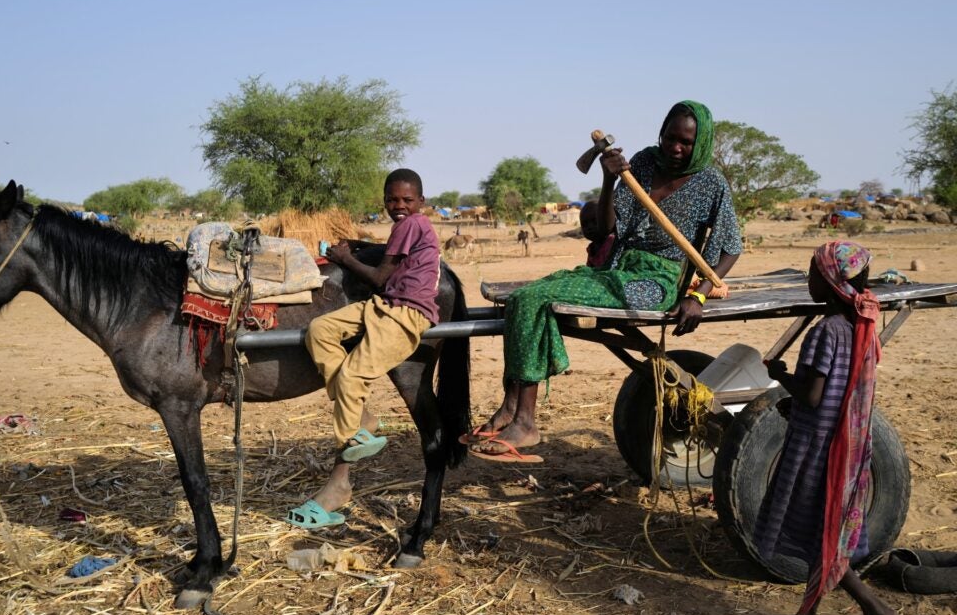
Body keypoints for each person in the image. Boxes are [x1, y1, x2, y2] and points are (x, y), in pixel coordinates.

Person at [465, 100, 742, 462]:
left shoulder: (711, 183)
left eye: (685, 142)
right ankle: (512, 405)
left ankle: (527, 422)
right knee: (525, 297)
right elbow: (608, 227)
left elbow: (731, 248)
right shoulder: (642, 163)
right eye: (670, 138)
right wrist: (609, 178)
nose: (675, 148)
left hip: (657, 282)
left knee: (532, 300)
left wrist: (699, 297)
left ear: (700, 143)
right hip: (615, 269)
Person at [755, 241, 897, 615]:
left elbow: (813, 395)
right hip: (848, 440)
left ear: (831, 280)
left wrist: (782, 376)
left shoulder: (825, 332)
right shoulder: (862, 324)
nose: (809, 279)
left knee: (824, 534)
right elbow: (838, 391)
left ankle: (875, 611)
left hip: (820, 448)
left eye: (813, 272)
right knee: (825, 525)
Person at [287, 168, 440, 529]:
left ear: (421, 202)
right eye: (392, 200)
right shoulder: (405, 229)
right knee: (320, 330)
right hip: (382, 306)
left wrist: (344, 259)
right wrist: (357, 246)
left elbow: (377, 277)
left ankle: (349, 434)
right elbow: (387, 255)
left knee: (355, 372)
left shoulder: (413, 224)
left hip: (406, 315)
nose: (398, 206)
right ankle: (361, 417)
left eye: (406, 200)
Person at [579, 199, 616, 267]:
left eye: (595, 221)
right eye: (584, 224)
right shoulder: (592, 248)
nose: (589, 227)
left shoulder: (614, 242)